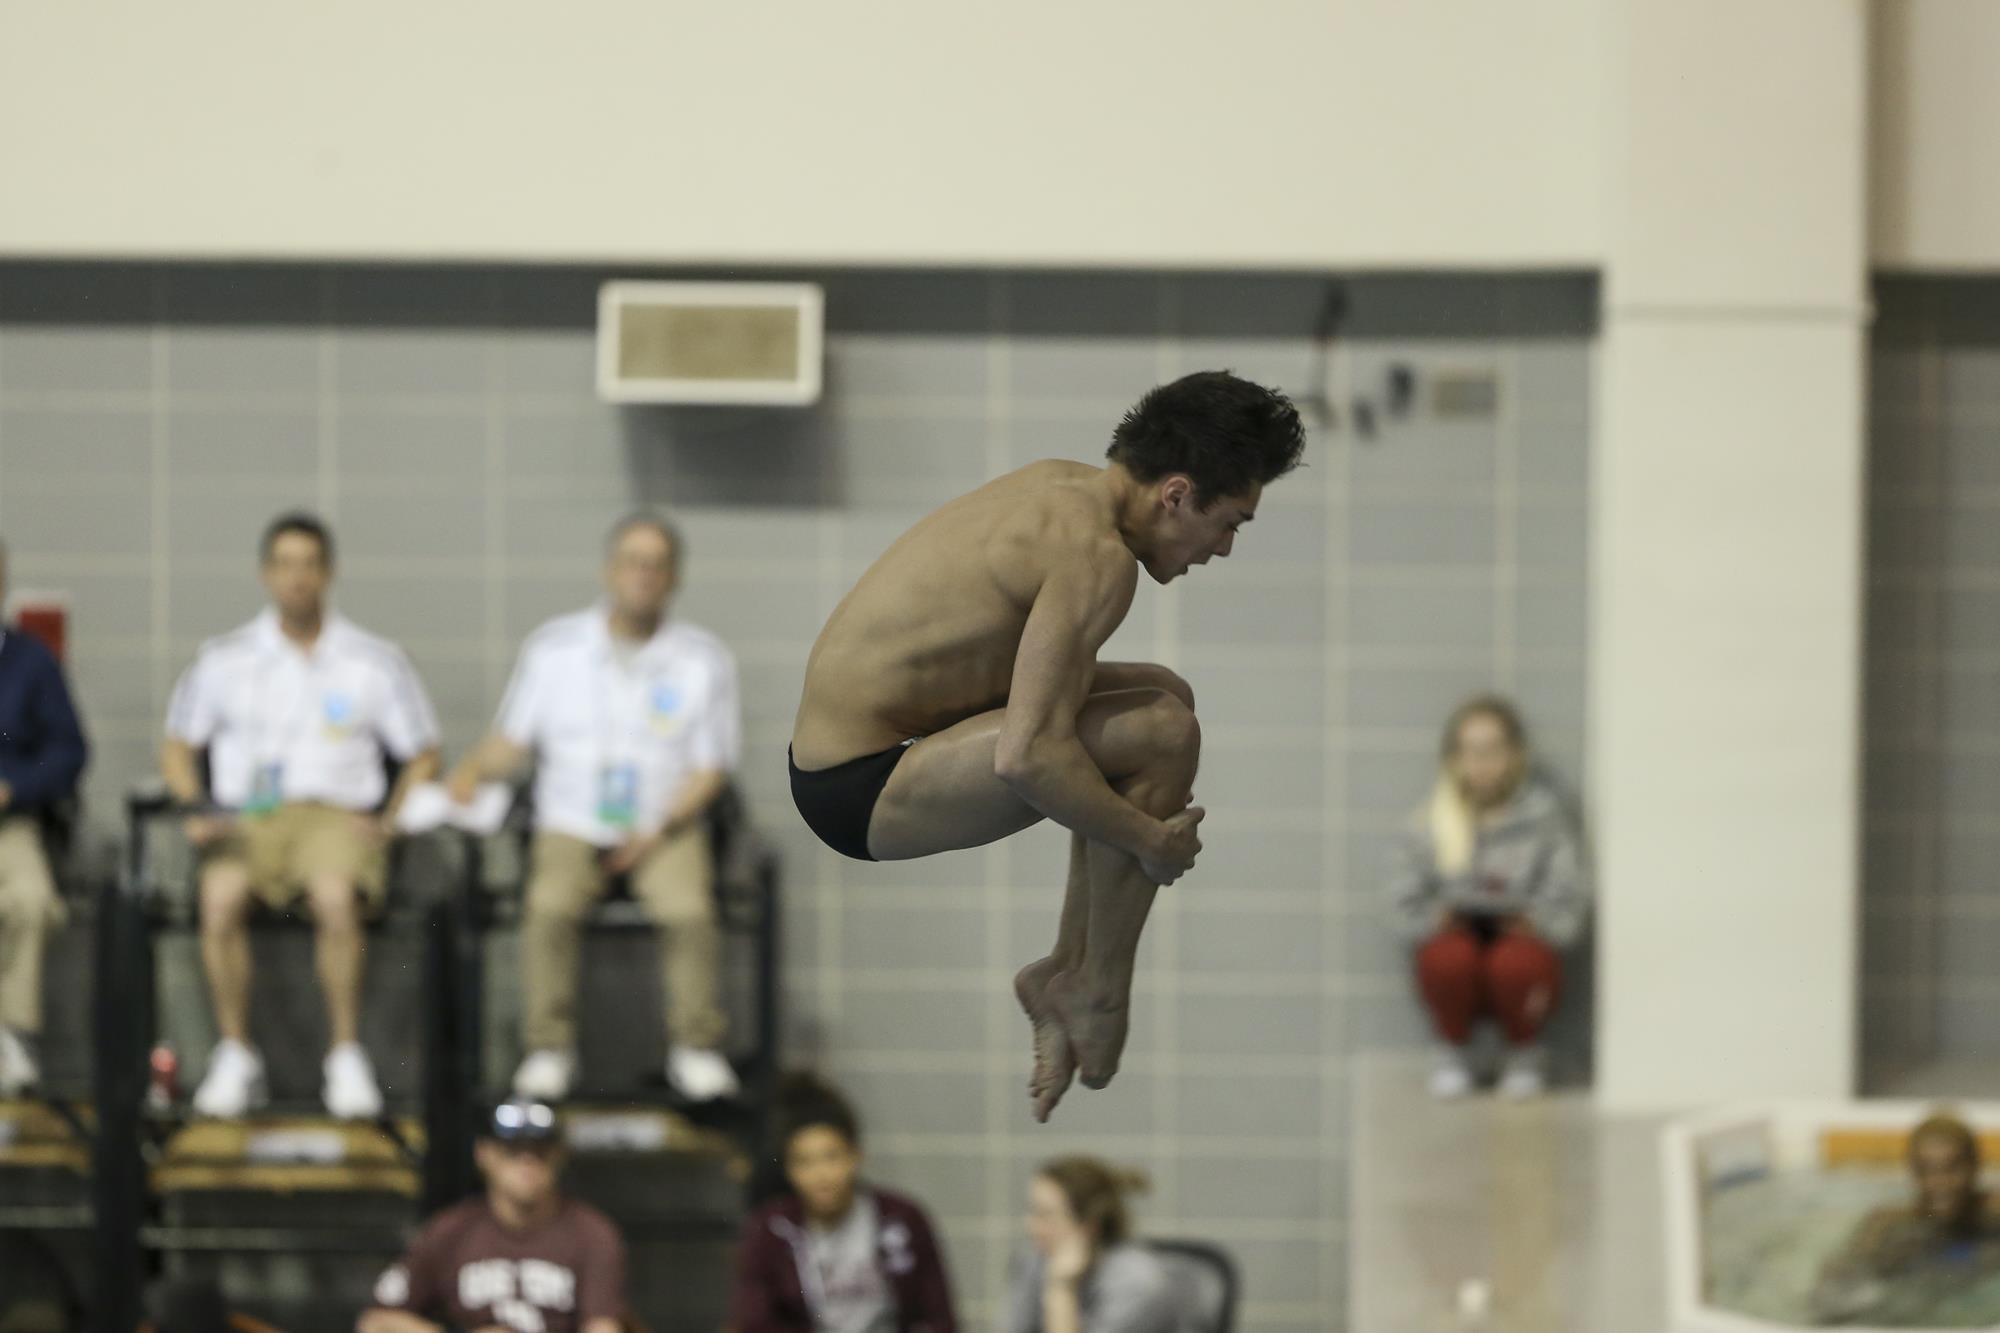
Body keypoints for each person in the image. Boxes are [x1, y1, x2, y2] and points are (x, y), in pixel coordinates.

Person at [790, 372, 1305, 1121]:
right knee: (1164, 734)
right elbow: (1027, 755)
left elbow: (1030, 711)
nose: (1223, 549)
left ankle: (1066, 965)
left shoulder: (1060, 485)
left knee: (1168, 692)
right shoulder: (1097, 557)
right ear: (1176, 493)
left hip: (875, 742)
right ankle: (1095, 983)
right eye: (1231, 522)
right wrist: (1151, 841)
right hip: (860, 784)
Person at [448, 512, 741, 1104]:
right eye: (633, 561)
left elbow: (712, 770)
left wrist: (656, 830)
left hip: (664, 825)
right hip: (571, 822)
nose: (643, 575)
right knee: (549, 906)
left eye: (656, 564)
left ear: (675, 577)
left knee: (687, 910)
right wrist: (472, 769)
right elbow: (514, 739)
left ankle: (694, 1047)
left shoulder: (703, 660)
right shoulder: (554, 649)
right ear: (609, 570)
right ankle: (549, 1048)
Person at [162, 512, 442, 1120]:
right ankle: (236, 1054)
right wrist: (195, 806)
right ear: (267, 575)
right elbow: (178, 744)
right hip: (249, 818)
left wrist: (391, 817)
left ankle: (344, 1055)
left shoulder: (373, 660)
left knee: (336, 897)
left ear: (329, 574)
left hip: (334, 818)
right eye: (285, 566)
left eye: (309, 565)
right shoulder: (223, 658)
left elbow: (423, 753)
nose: (297, 579)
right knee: (218, 898)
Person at [1387, 695, 1588, 1100]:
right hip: (1455, 939)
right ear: (1453, 757)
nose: (1482, 762)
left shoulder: (1546, 819)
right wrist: (1438, 916)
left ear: (1515, 754)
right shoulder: (1430, 821)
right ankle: (1454, 1050)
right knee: (1447, 958)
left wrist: (1535, 921)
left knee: (1518, 962)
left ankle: (1523, 1052)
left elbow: (1570, 898)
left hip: (1522, 943)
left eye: (1493, 749)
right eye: (1471, 750)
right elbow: (1401, 902)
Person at [358, 1099, 628, 1333]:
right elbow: (376, 1322)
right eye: (512, 1150)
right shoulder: (452, 1230)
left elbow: (602, 1326)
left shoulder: (591, 1232)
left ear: (559, 1155)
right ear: (484, 1153)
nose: (527, 1162)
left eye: (539, 1151)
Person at [730, 1072, 957, 1332]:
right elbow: (754, 1320)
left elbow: (938, 1315)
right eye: (805, 1162)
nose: (821, 1175)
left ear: (855, 1156)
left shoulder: (903, 1219)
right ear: (789, 1170)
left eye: (831, 1157)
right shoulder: (770, 1231)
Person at [0, 539, 88, 1096]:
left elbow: (69, 750)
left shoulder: (31, 660)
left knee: (30, 902)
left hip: (12, 825)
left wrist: (13, 788)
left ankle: (12, 1034)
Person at [1810, 1111, 2000, 1324]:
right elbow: (1833, 1293)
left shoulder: (1993, 1215)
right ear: (1912, 1171)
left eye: (1953, 1167)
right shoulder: (1887, 1225)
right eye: (1925, 1170)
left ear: (1976, 1165)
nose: (1940, 1182)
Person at [1007, 1156, 1189, 1333]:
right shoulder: (1036, 1262)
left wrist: (1061, 1288)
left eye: (1045, 1215)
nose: (1031, 1227)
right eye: (1032, 1211)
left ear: (1088, 1226)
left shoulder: (1138, 1283)